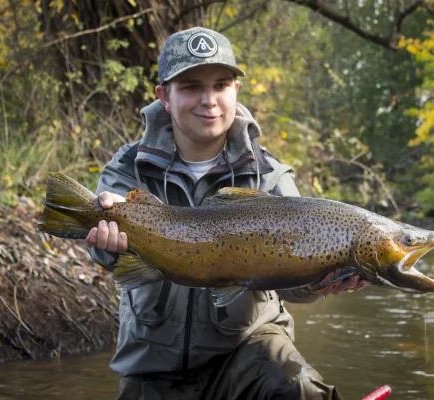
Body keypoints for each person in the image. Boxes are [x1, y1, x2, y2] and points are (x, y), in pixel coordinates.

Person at [86, 27, 370, 400]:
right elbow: (104, 255)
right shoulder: (127, 167)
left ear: (235, 89)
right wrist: (106, 245)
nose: (209, 100)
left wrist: (319, 282)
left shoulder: (270, 176)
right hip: (152, 363)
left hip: (249, 353)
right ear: (164, 97)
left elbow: (298, 288)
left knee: (301, 389)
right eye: (190, 87)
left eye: (221, 85)